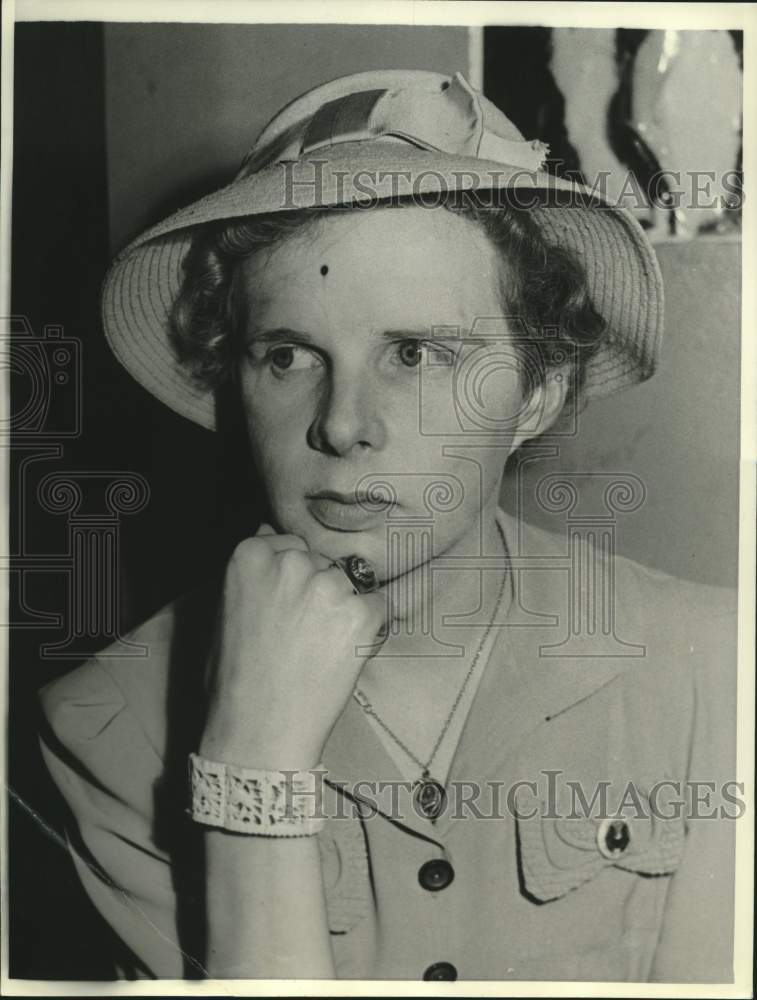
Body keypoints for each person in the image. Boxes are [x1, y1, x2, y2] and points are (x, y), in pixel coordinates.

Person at [38, 70, 737, 983]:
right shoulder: (109, 725)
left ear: (534, 393)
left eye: (413, 354)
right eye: (286, 356)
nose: (339, 423)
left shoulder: (715, 671)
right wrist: (251, 762)